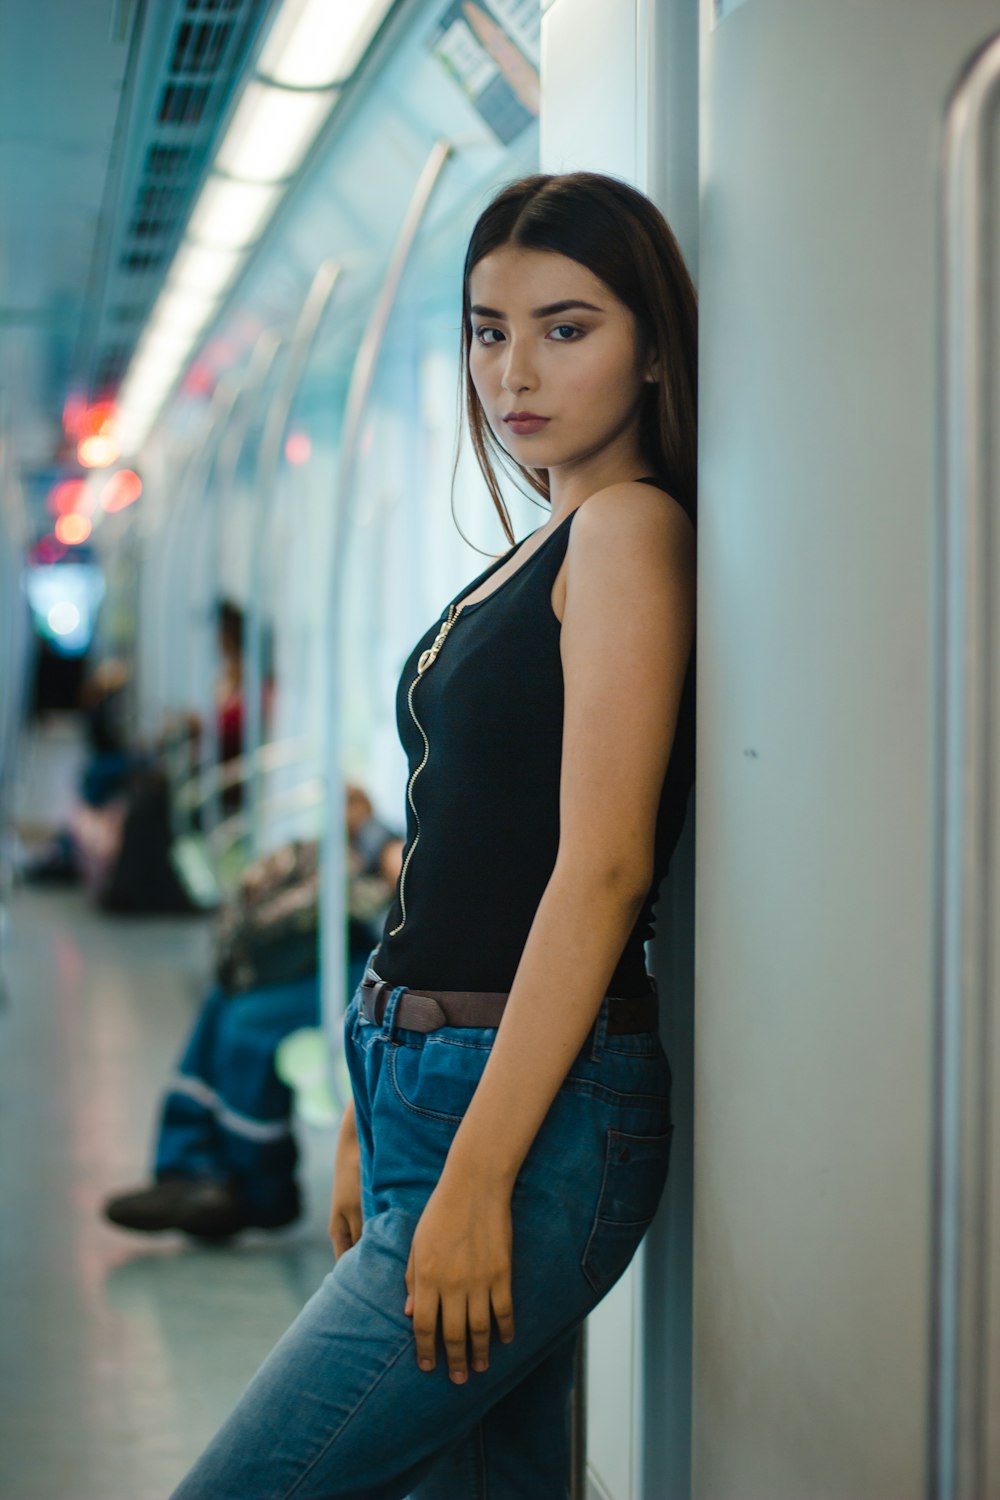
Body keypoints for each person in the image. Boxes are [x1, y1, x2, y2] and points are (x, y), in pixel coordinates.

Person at [168, 170, 697, 1499]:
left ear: (652, 350)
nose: (513, 369)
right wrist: (367, 1104)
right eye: (486, 329)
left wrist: (472, 1182)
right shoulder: (545, 539)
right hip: (426, 1082)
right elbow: (449, 842)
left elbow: (604, 868)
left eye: (567, 328)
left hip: (525, 1114)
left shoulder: (629, 532)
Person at [102, 788, 402, 1238]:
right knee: (223, 1000)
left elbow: (410, 869)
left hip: (394, 962)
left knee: (250, 1023)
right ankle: (189, 1167)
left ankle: (258, 1189)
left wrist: (372, 837)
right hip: (365, 937)